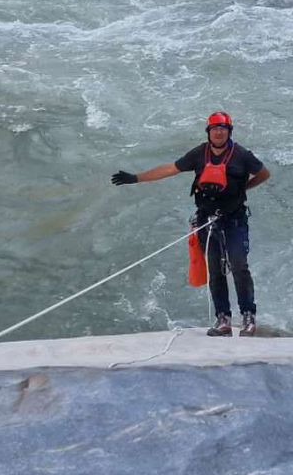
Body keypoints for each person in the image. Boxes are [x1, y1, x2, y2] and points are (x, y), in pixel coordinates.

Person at [112, 111, 271, 336]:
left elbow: (264, 174)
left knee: (238, 265)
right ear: (208, 132)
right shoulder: (199, 154)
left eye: (223, 129)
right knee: (214, 270)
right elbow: (169, 169)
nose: (218, 132)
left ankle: (248, 316)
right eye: (214, 129)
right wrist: (135, 178)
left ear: (229, 132)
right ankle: (223, 319)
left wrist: (243, 190)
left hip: (234, 220)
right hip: (207, 221)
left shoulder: (242, 155)